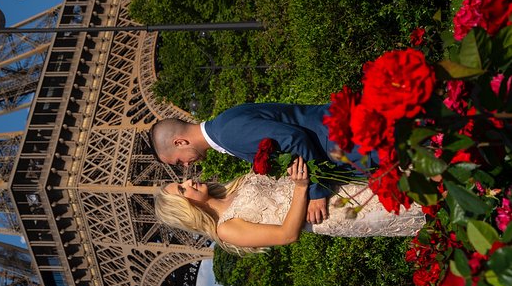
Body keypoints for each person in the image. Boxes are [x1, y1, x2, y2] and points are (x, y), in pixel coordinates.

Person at [149, 102, 378, 225]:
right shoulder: (223, 127)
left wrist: (317, 194)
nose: (186, 167)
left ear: (180, 141)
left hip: (348, 139)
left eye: (179, 161)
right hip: (342, 135)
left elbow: (293, 139)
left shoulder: (228, 133)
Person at [154, 157, 424, 255]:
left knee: (409, 177)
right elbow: (287, 234)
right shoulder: (226, 230)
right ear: (184, 208)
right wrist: (301, 187)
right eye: (182, 189)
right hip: (334, 212)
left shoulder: (233, 186)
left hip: (332, 184)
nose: (188, 181)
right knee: (414, 203)